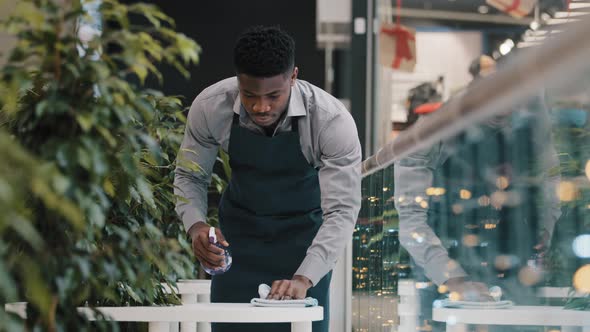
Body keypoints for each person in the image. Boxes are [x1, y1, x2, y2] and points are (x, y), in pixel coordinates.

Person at [174, 26, 362, 332]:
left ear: (293, 76)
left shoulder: (331, 121)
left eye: (274, 95)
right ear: (238, 81)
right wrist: (196, 226)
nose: (261, 107)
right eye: (250, 95)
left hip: (304, 244)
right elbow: (190, 176)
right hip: (239, 239)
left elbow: (342, 210)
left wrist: (306, 276)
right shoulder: (210, 107)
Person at [393, 54, 561, 330]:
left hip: (508, 255)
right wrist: (453, 279)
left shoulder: (529, 126)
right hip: (442, 254)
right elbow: (412, 221)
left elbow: (552, 184)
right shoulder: (427, 138)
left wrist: (543, 233)